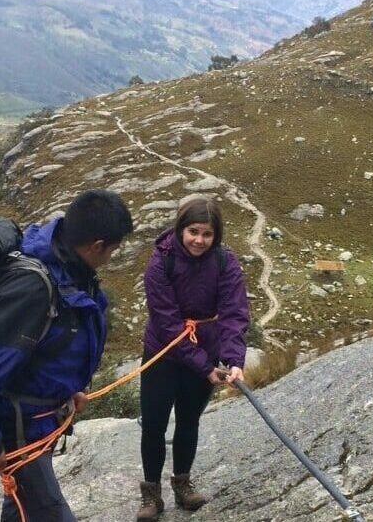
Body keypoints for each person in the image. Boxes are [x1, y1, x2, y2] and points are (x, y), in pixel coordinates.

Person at [0, 189, 133, 522]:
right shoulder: (33, 286)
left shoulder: (70, 269)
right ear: (96, 246)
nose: (111, 258)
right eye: (113, 250)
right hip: (19, 428)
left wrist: (67, 389)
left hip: (40, 419)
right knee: (48, 512)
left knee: (21, 509)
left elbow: (50, 346)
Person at [136, 197, 250, 522]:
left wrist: (232, 360)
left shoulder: (225, 262)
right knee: (154, 425)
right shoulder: (161, 262)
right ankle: (151, 494)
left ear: (217, 236)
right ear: (180, 229)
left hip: (206, 352)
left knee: (189, 421)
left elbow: (233, 312)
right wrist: (203, 364)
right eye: (193, 231)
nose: (199, 240)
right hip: (163, 353)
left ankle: (182, 486)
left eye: (207, 234)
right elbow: (167, 322)